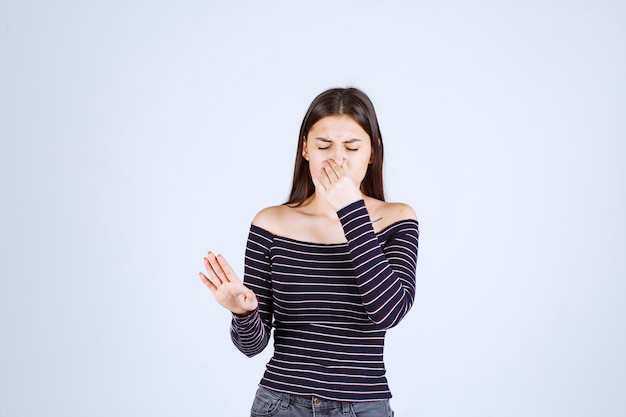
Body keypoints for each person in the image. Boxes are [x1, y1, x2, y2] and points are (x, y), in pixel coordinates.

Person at [200, 87, 419, 417]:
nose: (337, 158)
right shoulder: (271, 222)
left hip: (363, 406)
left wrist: (351, 210)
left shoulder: (397, 219)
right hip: (281, 403)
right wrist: (242, 313)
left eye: (352, 147)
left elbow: (389, 313)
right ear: (305, 149)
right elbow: (253, 347)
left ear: (371, 153)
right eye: (323, 145)